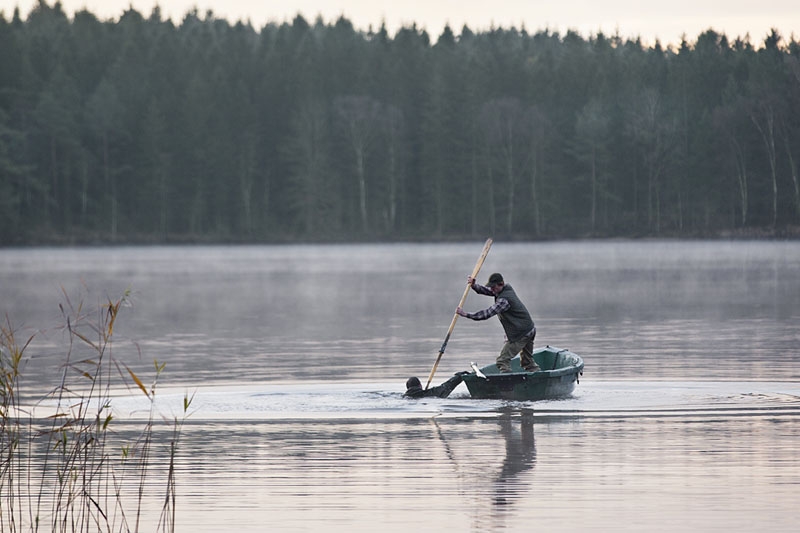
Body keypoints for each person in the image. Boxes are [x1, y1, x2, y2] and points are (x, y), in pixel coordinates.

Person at [456, 272, 539, 373]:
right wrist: (474, 285)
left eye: (494, 287)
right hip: (529, 329)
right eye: (491, 287)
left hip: (521, 333)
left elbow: (487, 314)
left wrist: (466, 314)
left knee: (502, 361)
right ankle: (538, 378)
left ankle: (507, 386)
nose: (492, 290)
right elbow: (488, 291)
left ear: (501, 284)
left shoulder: (504, 300)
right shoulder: (506, 288)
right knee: (528, 362)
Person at [403, 372, 468, 398]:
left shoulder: (404, 397)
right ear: (420, 385)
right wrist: (459, 376)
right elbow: (446, 386)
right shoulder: (429, 393)